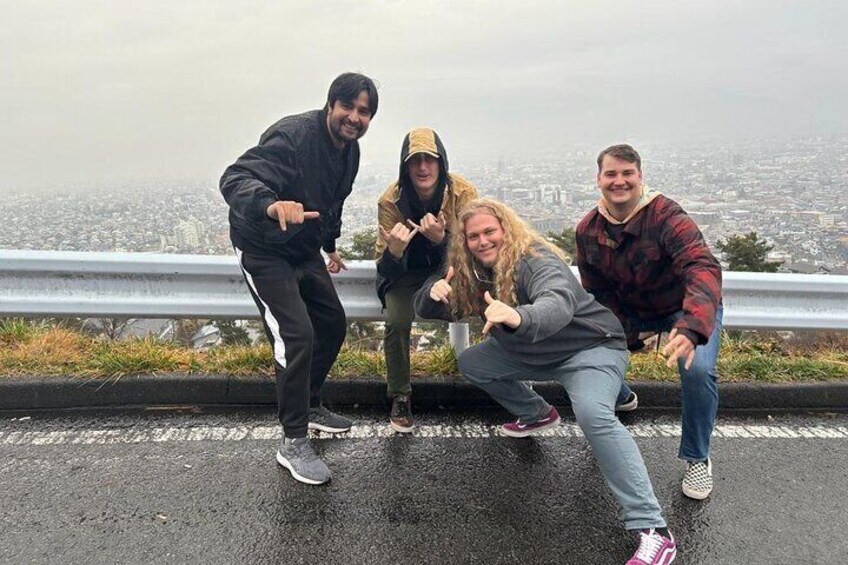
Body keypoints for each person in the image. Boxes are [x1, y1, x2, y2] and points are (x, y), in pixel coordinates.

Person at [414, 198, 677, 565]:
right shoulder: (470, 270)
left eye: (490, 231)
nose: (483, 241)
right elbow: (433, 304)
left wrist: (518, 316)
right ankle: (537, 412)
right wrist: (431, 295)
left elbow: (556, 303)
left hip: (589, 349)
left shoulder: (535, 259)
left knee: (592, 414)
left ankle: (653, 529)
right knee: (473, 361)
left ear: (506, 228)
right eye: (473, 236)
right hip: (532, 352)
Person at [219, 72, 378, 485]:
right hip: (263, 248)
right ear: (331, 105)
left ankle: (309, 404)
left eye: (364, 111)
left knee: (331, 324)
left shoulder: (349, 151)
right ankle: (292, 441)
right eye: (348, 107)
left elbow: (333, 201)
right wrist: (272, 205)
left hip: (303, 247)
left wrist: (330, 245)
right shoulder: (292, 137)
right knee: (296, 335)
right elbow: (234, 178)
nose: (354, 117)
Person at [575, 144, 722, 501]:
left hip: (684, 307)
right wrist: (623, 332)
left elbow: (701, 266)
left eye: (627, 173)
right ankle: (621, 396)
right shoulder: (588, 230)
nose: (619, 181)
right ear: (599, 179)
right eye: (611, 174)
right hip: (632, 310)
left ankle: (697, 457)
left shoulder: (666, 216)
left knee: (698, 368)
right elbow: (597, 294)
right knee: (587, 347)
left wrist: (690, 326)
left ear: (640, 177)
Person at [375, 127, 479, 433]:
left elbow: (475, 247)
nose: (423, 167)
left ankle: (505, 379)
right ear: (405, 166)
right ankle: (400, 394)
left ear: (441, 162)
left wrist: (440, 240)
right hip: (405, 273)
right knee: (396, 321)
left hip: (448, 268)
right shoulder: (391, 201)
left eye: (430, 159)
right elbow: (386, 269)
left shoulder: (462, 193)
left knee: (486, 306)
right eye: (415, 160)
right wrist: (394, 252)